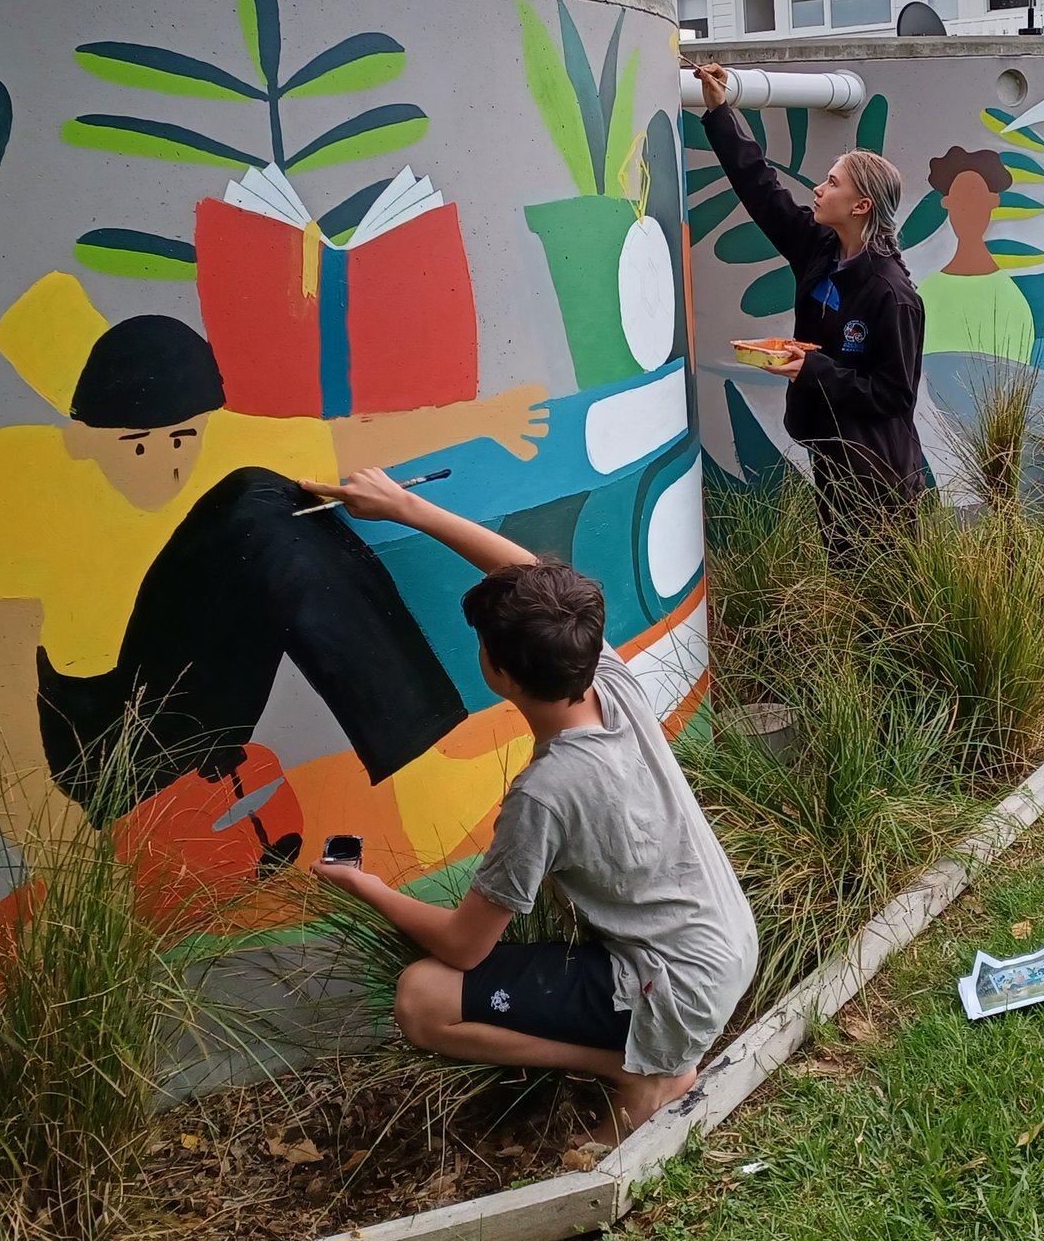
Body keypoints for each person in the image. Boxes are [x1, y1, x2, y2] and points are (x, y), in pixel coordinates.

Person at [0, 299, 548, 962]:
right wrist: (67, 861)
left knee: (262, 497)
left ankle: (424, 761)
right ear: (80, 438)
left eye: (182, 439)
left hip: (164, 708)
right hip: (31, 719)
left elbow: (348, 439)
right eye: (138, 445)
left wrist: (484, 418)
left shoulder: (223, 452)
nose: (166, 462)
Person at [303, 471, 758, 1134]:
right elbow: (532, 582)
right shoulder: (605, 678)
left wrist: (365, 885)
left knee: (423, 999)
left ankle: (631, 1067)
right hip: (726, 945)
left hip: (674, 992)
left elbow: (462, 947)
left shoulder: (545, 794)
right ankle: (647, 1057)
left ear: (500, 674)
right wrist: (407, 507)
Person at [692, 62, 925, 538]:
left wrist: (810, 368)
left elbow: (895, 395)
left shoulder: (891, 295)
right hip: (829, 446)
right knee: (841, 574)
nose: (819, 188)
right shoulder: (820, 249)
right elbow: (761, 189)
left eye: (833, 183)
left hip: (876, 466)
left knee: (879, 587)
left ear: (861, 207)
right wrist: (719, 109)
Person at [915, 146, 1036, 363]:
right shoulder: (927, 295)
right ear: (948, 205)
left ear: (992, 203)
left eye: (976, 199)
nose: (967, 210)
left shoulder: (1013, 302)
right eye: (960, 201)